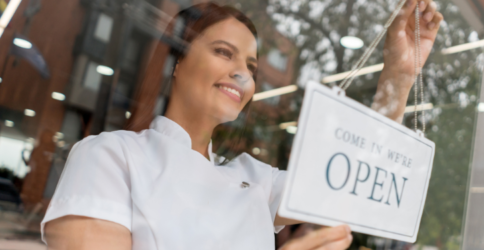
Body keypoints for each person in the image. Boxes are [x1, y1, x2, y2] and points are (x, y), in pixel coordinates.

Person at [42, 1, 442, 249]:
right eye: (223, 53)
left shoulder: (256, 181)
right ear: (177, 61)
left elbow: (355, 184)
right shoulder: (109, 156)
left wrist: (399, 75)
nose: (243, 75)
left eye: (250, 67)